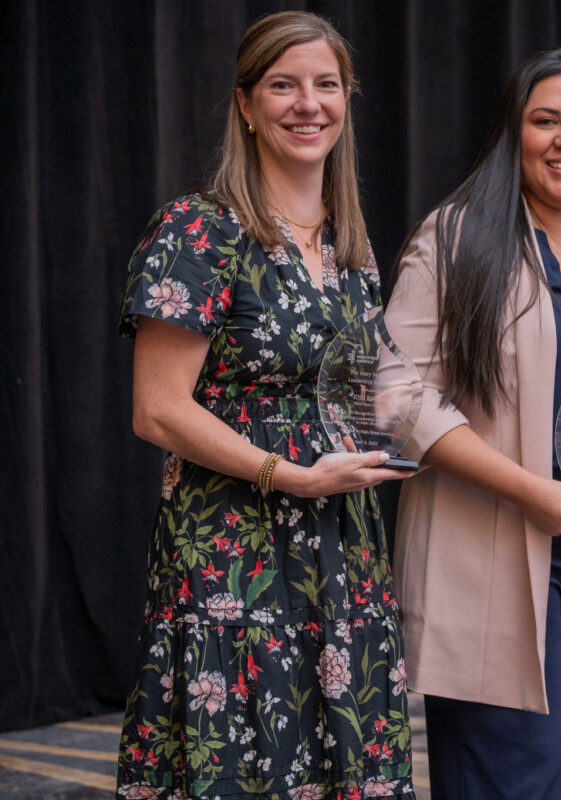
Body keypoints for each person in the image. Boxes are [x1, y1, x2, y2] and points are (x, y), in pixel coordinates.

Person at [115, 12, 413, 798]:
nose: (306, 104)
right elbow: (156, 409)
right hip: (233, 559)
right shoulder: (200, 230)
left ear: (347, 99)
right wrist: (290, 474)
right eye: (283, 85)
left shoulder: (351, 249)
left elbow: (356, 397)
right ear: (246, 105)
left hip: (341, 549)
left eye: (325, 85)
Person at [384, 48, 561, 799]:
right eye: (546, 121)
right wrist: (526, 488)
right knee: (512, 780)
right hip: (494, 551)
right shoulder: (457, 236)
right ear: (515, 132)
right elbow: (394, 394)